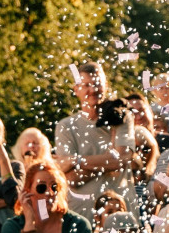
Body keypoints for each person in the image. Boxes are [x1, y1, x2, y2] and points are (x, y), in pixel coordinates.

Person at [54, 61, 137, 224]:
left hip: (120, 216)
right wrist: (107, 161)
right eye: (86, 85)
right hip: (81, 217)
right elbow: (71, 178)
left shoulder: (121, 117)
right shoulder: (66, 126)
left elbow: (119, 160)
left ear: (106, 86)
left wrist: (76, 160)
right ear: (76, 89)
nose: (92, 90)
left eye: (97, 84)